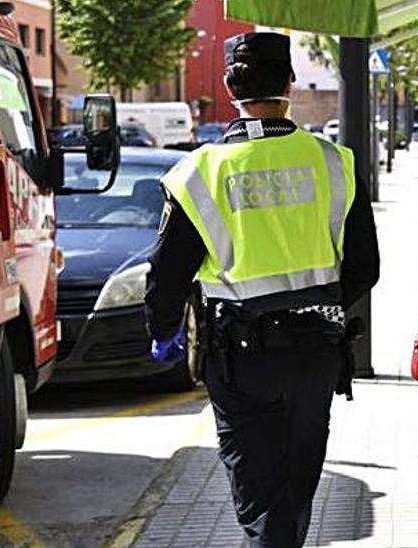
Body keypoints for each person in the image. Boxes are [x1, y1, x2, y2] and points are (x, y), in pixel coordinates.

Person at [143, 32, 380, 548]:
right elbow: (365, 268)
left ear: (230, 87)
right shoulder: (334, 162)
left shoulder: (199, 172)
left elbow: (167, 276)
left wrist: (163, 333)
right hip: (316, 352)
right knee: (294, 491)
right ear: (291, 83)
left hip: (240, 357)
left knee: (259, 500)